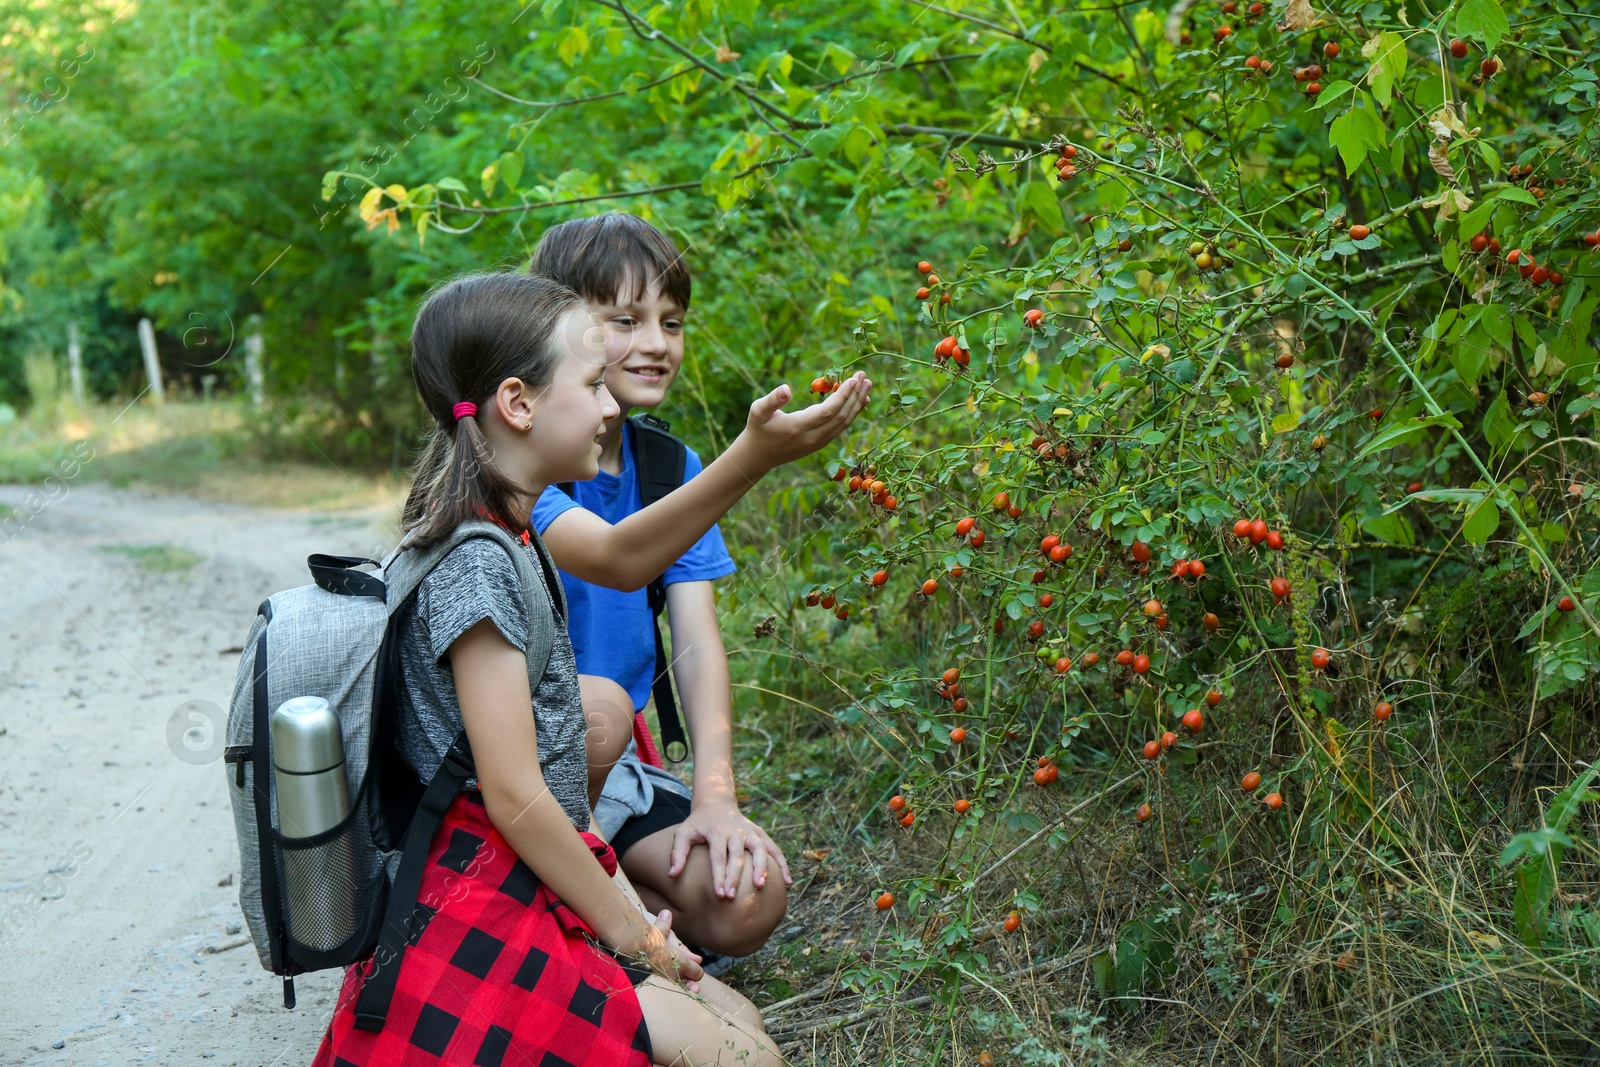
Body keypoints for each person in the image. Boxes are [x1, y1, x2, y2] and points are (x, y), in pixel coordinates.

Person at [311, 270, 870, 1065]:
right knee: (749, 1056)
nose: (611, 408)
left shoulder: (506, 532)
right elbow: (512, 793)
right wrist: (634, 935)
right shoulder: (477, 564)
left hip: (517, 875)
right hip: (477, 907)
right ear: (519, 403)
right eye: (590, 385)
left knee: (744, 1020)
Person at [529, 214, 788, 970]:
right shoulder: (527, 461)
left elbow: (698, 642)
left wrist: (716, 795)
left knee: (749, 896)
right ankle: (603, 916)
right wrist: (752, 460)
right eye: (625, 320)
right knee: (599, 707)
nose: (655, 342)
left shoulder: (671, 467)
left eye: (671, 322)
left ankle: (611, 910)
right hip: (526, 774)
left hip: (616, 778)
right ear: (561, 327)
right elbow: (612, 556)